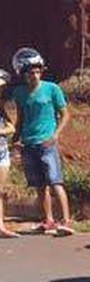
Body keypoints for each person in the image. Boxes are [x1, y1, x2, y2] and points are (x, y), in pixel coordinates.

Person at [9, 48, 75, 236]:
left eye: (38, 71)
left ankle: (66, 221)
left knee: (56, 181)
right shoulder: (19, 93)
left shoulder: (52, 88)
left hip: (47, 143)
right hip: (28, 144)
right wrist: (16, 140)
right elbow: (21, 118)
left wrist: (55, 136)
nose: (35, 75)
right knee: (39, 185)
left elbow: (65, 114)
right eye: (31, 72)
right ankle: (48, 221)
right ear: (23, 74)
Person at [0, 69, 20, 238]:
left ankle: (0, 226)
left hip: (2, 152)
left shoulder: (1, 105)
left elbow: (11, 127)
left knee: (0, 190)